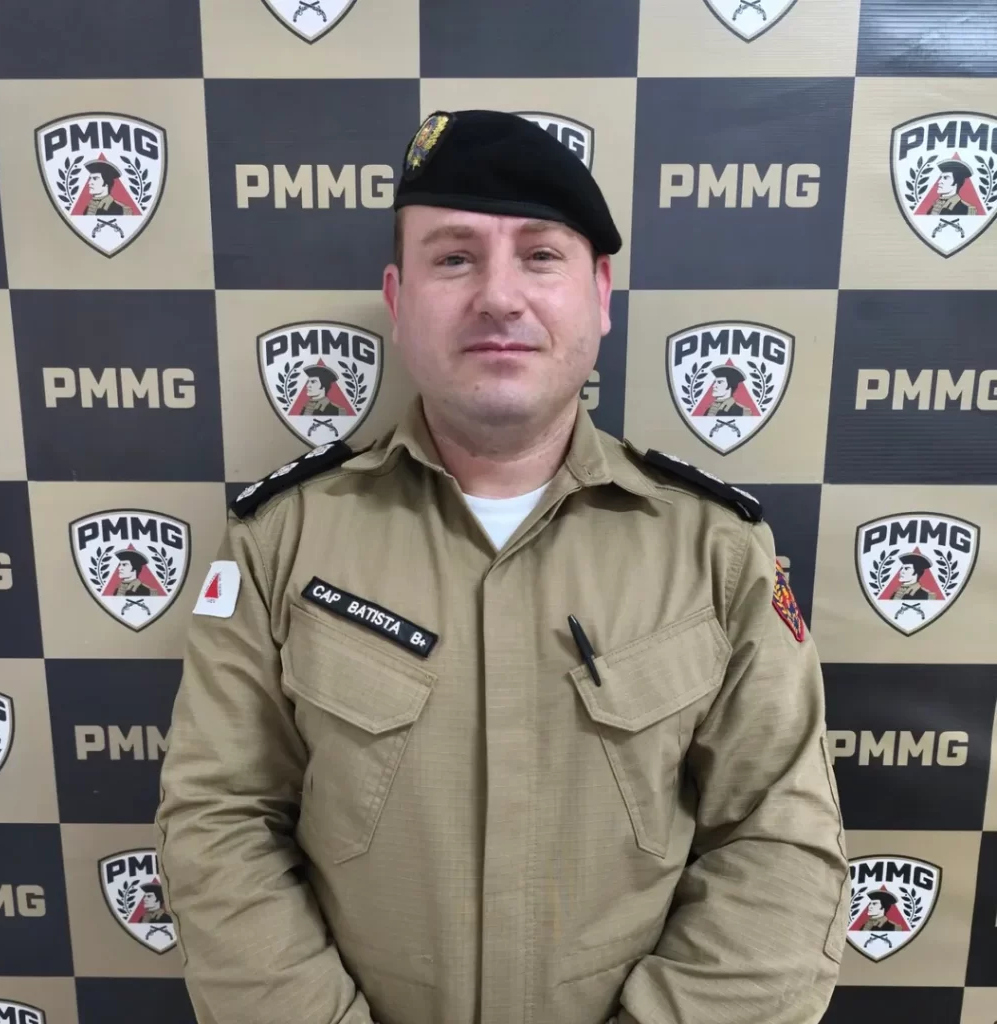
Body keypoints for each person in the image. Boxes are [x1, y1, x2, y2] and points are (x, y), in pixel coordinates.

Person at [155, 109, 849, 1024]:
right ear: (398, 300)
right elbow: (218, 824)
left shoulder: (717, 552)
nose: (499, 296)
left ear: (600, 295)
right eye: (454, 258)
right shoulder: (279, 541)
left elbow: (780, 843)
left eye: (540, 255)